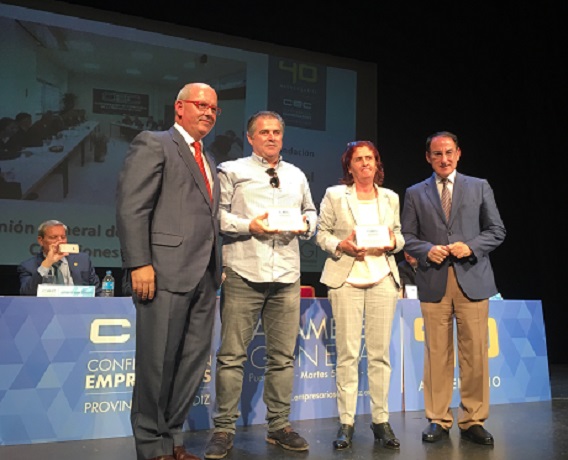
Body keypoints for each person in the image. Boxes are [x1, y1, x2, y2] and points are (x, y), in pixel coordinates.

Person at [116, 82, 222, 460]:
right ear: (180, 108)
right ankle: (151, 446)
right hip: (161, 272)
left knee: (191, 364)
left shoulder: (208, 159)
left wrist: (217, 264)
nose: (208, 112)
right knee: (156, 364)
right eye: (201, 105)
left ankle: (172, 440)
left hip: (204, 277)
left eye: (214, 108)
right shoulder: (155, 142)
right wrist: (139, 262)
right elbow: (133, 208)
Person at [204, 111, 317, 459]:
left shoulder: (296, 175)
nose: (271, 137)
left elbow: (311, 212)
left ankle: (279, 426)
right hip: (244, 272)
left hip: (286, 274)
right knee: (232, 356)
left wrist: (305, 225)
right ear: (250, 137)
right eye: (264, 132)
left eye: (277, 132)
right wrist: (249, 226)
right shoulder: (231, 170)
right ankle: (223, 430)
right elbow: (217, 216)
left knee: (282, 358)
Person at [401, 131, 506, 446]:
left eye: (448, 152)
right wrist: (425, 250)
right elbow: (406, 235)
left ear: (458, 153)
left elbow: (497, 230)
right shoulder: (415, 193)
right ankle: (438, 419)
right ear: (428, 157)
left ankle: (473, 419)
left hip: (472, 279)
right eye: (437, 154)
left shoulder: (479, 186)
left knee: (475, 353)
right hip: (433, 280)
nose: (443, 159)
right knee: (437, 354)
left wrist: (470, 247)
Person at [315, 140, 404, 450]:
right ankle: (347, 422)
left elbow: (399, 235)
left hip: (382, 278)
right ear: (349, 166)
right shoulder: (335, 195)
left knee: (380, 355)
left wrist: (393, 243)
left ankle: (381, 421)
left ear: (377, 164)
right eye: (359, 159)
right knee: (348, 354)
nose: (366, 163)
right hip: (347, 279)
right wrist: (342, 245)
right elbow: (320, 233)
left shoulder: (390, 197)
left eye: (371, 158)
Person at [17, 220, 101, 296]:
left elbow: (97, 292)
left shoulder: (83, 260)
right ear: (41, 241)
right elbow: (26, 293)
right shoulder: (28, 266)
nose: (60, 241)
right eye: (53, 237)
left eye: (63, 237)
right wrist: (46, 264)